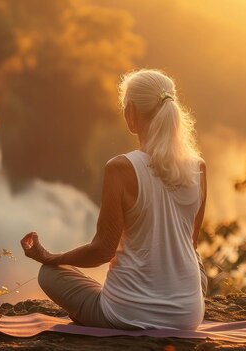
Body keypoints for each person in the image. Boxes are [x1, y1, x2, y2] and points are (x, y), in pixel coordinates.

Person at [20, 69, 208, 331]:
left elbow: (103, 251)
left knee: (49, 274)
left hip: (125, 315)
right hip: (187, 317)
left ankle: (101, 307)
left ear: (130, 113)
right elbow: (190, 243)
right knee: (194, 264)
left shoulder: (120, 168)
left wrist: (51, 257)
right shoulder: (198, 167)